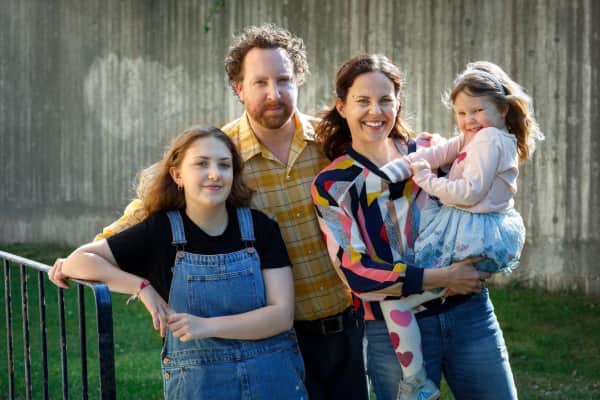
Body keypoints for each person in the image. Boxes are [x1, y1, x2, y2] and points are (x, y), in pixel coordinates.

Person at [51, 24, 368, 400]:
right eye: (260, 82)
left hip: (347, 331)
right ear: (239, 88)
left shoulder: (333, 145)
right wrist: (90, 256)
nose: (273, 93)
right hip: (273, 343)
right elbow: (145, 213)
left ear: (297, 81)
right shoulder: (219, 156)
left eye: (283, 80)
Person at [311, 54, 519, 400]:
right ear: (342, 106)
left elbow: (479, 196)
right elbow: (355, 272)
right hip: (391, 329)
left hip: (468, 312)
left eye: (385, 100)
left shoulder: (431, 150)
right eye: (362, 101)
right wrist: (443, 277)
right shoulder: (333, 183)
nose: (375, 111)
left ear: (398, 103)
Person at [49, 126, 308, 399]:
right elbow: (77, 261)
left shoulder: (260, 228)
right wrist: (141, 287)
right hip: (200, 386)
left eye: (224, 165)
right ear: (177, 175)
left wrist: (206, 326)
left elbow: (281, 315)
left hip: (272, 378)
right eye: (201, 164)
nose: (214, 174)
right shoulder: (161, 231)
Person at [376, 60, 544, 399]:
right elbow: (443, 151)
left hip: (471, 231)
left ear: (502, 108)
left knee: (399, 303)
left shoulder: (491, 139)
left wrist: (426, 179)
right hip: (471, 228)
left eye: (477, 110)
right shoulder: (480, 134)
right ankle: (418, 366)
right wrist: (402, 167)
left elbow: (469, 193)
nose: (468, 120)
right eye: (461, 113)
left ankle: (415, 381)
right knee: (425, 292)